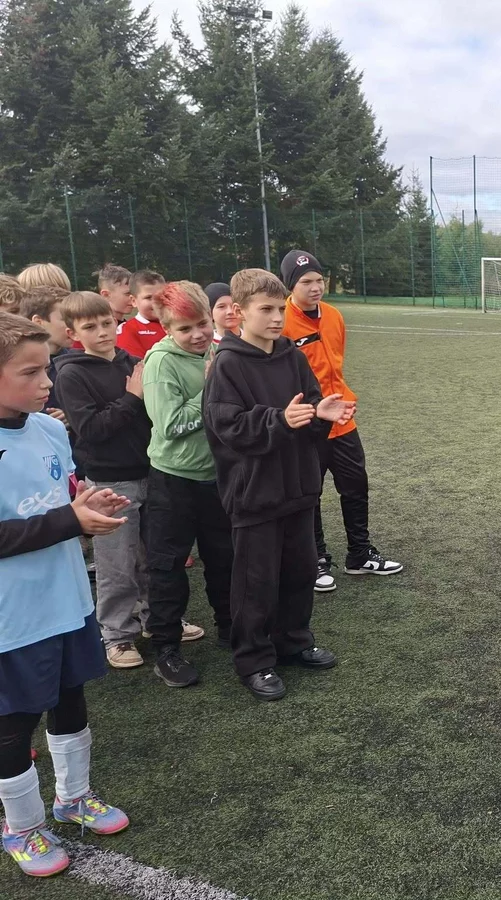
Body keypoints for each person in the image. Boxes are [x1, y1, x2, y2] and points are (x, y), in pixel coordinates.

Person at [0, 312, 130, 878]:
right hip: (13, 617)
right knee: (13, 722)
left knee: (70, 700)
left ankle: (74, 797)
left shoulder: (51, 430)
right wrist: (69, 521)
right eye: (30, 372)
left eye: (46, 368)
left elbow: (66, 493)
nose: (46, 382)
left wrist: (89, 503)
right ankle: (21, 827)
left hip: (68, 599)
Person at [203, 268, 350, 701]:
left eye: (278, 309)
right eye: (264, 309)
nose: (274, 318)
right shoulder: (228, 364)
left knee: (300, 572)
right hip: (255, 495)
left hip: (298, 489)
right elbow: (227, 426)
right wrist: (279, 420)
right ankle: (253, 659)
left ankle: (294, 642)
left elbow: (308, 406)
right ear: (238, 312)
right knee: (256, 582)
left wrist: (320, 414)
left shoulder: (292, 355)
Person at [279, 250, 402, 592]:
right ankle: (315, 560)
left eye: (319, 280)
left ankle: (359, 554)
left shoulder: (333, 315)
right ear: (291, 286)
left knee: (356, 484)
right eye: (306, 282)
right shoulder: (282, 322)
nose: (315, 287)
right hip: (308, 420)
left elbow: (336, 363)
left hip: (342, 417)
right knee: (310, 492)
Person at [54, 292, 159, 670]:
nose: (101, 332)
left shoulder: (132, 363)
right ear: (72, 333)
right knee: (117, 564)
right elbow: (92, 430)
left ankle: (157, 619)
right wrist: (132, 398)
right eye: (90, 327)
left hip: (151, 472)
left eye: (106, 323)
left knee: (155, 557)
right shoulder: (71, 373)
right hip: (110, 483)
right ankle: (116, 634)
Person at [142, 282, 234, 689]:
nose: (197, 334)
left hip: (216, 477)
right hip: (173, 481)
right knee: (168, 567)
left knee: (225, 557)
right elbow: (170, 425)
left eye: (202, 324)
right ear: (167, 329)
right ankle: (166, 650)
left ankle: (231, 628)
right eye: (184, 329)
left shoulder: (215, 350)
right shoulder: (160, 362)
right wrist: (211, 388)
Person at [18, 285, 74, 421]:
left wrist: (75, 415)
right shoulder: (16, 364)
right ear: (38, 322)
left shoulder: (77, 359)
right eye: (66, 319)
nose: (74, 324)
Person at [115, 270, 167, 360]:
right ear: (133, 301)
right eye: (148, 297)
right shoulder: (128, 329)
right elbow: (135, 364)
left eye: (161, 296)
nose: (156, 302)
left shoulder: (180, 323)